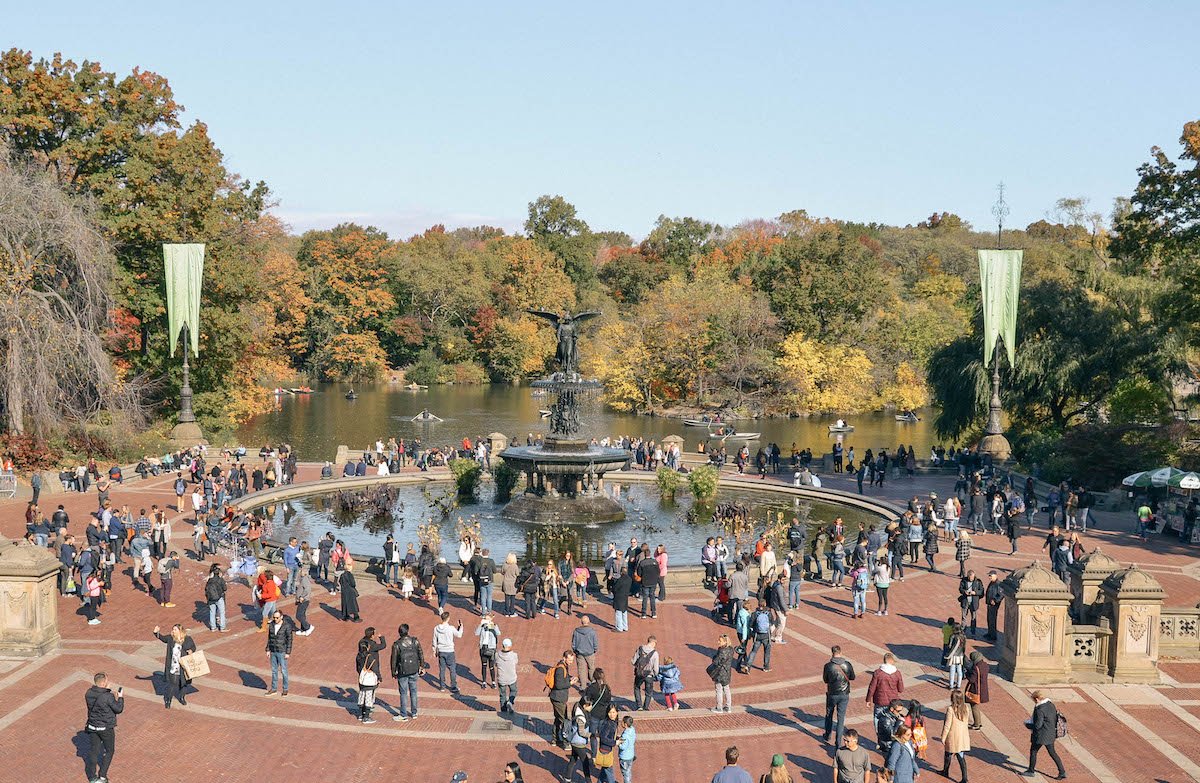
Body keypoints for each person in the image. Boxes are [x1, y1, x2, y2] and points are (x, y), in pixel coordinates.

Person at [84, 672, 124, 783]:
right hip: (105, 728)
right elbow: (118, 709)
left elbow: (99, 697)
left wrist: (106, 690)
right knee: (110, 750)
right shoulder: (108, 696)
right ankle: (102, 776)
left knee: (94, 750)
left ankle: (92, 776)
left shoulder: (88, 693)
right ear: (104, 683)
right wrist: (120, 698)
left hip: (92, 726)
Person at [1024, 690, 1067, 779]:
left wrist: (1028, 725)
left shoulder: (1040, 709)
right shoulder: (1050, 704)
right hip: (1050, 733)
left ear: (1036, 699)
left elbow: (1038, 725)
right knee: (1052, 753)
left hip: (1041, 735)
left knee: (1033, 751)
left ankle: (1031, 771)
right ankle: (1062, 772)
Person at [152, 623, 196, 708]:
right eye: (173, 629)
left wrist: (191, 651)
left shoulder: (187, 639)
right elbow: (162, 638)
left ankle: (182, 697)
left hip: (183, 665)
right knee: (173, 683)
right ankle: (168, 700)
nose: (173, 631)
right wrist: (156, 633)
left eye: (175, 630)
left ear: (180, 630)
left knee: (184, 683)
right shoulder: (170, 638)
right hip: (174, 665)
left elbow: (193, 647)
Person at [390, 623, 426, 721]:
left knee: (403, 693)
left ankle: (403, 714)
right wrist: (422, 667)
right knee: (414, 691)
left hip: (403, 672)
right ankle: (414, 713)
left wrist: (393, 672)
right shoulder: (415, 641)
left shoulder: (397, 644)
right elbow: (421, 654)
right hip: (414, 670)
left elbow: (393, 660)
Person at [823, 644, 855, 747]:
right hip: (844, 694)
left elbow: (825, 680)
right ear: (840, 653)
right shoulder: (847, 665)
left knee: (829, 714)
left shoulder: (828, 666)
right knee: (841, 719)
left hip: (832, 693)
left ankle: (827, 735)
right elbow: (852, 677)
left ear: (832, 653)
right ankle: (838, 743)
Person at [355, 627, 386, 724]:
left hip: (362, 676)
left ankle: (360, 714)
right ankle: (366, 716)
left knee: (362, 694)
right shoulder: (370, 657)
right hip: (370, 677)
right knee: (369, 696)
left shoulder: (359, 654)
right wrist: (379, 677)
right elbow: (383, 646)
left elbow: (357, 667)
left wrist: (360, 673)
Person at [548, 651, 578, 748]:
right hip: (558, 698)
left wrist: (570, 678)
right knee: (565, 721)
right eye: (569, 660)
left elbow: (562, 679)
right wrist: (570, 684)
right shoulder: (561, 669)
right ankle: (566, 743)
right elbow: (559, 684)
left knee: (558, 719)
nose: (571, 662)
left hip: (558, 697)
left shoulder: (563, 666)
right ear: (564, 658)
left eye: (572, 660)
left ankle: (555, 739)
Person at [866, 653, 905, 727]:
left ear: (884, 661)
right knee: (893, 720)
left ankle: (879, 736)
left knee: (878, 719)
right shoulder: (897, 673)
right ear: (892, 661)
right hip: (893, 702)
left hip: (880, 701)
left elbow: (872, 687)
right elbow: (901, 689)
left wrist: (868, 699)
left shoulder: (878, 673)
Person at [940, 689, 970, 781]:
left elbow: (947, 725)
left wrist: (943, 737)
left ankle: (946, 771)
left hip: (953, 736)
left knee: (948, 753)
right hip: (962, 735)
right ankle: (964, 778)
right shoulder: (966, 708)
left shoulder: (951, 709)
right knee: (960, 756)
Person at [432, 611, 463, 693]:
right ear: (448, 618)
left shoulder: (436, 628)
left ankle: (442, 686)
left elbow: (434, 640)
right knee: (452, 669)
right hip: (449, 651)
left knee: (442, 669)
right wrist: (461, 627)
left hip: (441, 651)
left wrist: (434, 650)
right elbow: (459, 635)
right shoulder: (451, 628)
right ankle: (453, 686)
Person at [265, 608, 292, 696]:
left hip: (282, 651)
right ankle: (274, 688)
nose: (275, 619)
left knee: (284, 671)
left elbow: (289, 640)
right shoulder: (272, 625)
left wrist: (288, 652)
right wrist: (268, 649)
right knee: (274, 671)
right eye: (274, 618)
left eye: (277, 618)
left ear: (281, 617)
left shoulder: (287, 626)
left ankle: (285, 689)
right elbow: (270, 638)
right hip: (273, 650)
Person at [709, 634, 735, 714]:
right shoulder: (731, 649)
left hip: (720, 672)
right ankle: (728, 707)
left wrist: (714, 658)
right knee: (727, 689)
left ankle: (719, 708)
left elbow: (716, 662)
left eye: (720, 641)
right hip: (727, 672)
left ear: (725, 642)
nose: (718, 642)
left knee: (719, 690)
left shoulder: (722, 650)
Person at [631, 636, 659, 710]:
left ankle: (639, 706)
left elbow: (633, 661)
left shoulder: (640, 649)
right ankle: (646, 707)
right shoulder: (655, 653)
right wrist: (655, 674)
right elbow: (656, 668)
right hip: (649, 675)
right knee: (649, 692)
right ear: (653, 643)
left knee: (637, 688)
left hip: (639, 673)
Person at [474, 612, 501, 689]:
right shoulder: (482, 627)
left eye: (488, 619)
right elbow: (476, 633)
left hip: (491, 648)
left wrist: (493, 625)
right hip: (483, 647)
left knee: (491, 666)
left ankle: (493, 681)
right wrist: (480, 625)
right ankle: (484, 681)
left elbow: (499, 633)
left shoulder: (494, 626)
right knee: (484, 665)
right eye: (485, 619)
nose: (486, 620)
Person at [965, 651, 989, 730]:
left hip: (975, 689)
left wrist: (967, 673)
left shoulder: (976, 667)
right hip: (983, 689)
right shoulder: (985, 665)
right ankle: (978, 722)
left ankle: (977, 724)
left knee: (974, 706)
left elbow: (972, 680)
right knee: (976, 706)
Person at [572, 614, 599, 685]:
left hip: (580, 653)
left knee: (581, 670)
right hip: (590, 653)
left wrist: (575, 650)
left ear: (581, 622)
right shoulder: (593, 632)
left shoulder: (576, 631)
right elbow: (595, 643)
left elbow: (573, 643)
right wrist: (594, 650)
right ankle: (592, 683)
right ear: (589, 621)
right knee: (591, 668)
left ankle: (583, 686)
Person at [496, 638, 518, 715]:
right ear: (510, 646)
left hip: (501, 678)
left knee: (502, 695)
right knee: (513, 690)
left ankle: (503, 712)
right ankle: (510, 701)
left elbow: (496, 663)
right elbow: (516, 662)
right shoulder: (514, 655)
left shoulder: (497, 655)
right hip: (511, 677)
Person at [959, 570, 983, 637]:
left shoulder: (978, 582)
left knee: (973, 617)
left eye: (972, 577)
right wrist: (964, 592)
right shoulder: (964, 580)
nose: (971, 579)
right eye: (970, 577)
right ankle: (963, 630)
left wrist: (975, 593)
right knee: (964, 617)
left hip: (974, 602)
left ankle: (973, 631)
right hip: (965, 601)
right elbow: (960, 589)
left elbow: (981, 592)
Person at [205, 563, 227, 632]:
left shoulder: (210, 580)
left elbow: (206, 589)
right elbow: (225, 588)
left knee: (212, 612)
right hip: (219, 597)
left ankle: (213, 627)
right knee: (222, 612)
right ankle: (222, 627)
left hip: (211, 598)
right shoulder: (221, 580)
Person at [984, 571, 1004, 641]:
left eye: (991, 576)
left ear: (995, 576)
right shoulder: (992, 583)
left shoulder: (998, 584)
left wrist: (995, 601)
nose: (989, 577)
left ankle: (993, 636)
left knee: (992, 620)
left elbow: (1001, 595)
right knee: (989, 619)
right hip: (989, 604)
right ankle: (989, 633)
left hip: (994, 605)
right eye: (989, 576)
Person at [617, 714, 637, 783]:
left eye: (622, 722)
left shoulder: (625, 735)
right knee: (628, 771)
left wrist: (619, 743)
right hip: (631, 755)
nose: (621, 723)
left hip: (625, 757)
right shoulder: (632, 730)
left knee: (626, 773)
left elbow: (623, 747)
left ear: (625, 724)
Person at [612, 566, 632, 632]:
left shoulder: (620, 580)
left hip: (618, 598)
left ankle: (619, 627)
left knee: (618, 613)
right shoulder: (629, 579)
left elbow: (615, 589)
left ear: (621, 573)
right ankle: (625, 626)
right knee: (624, 612)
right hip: (625, 597)